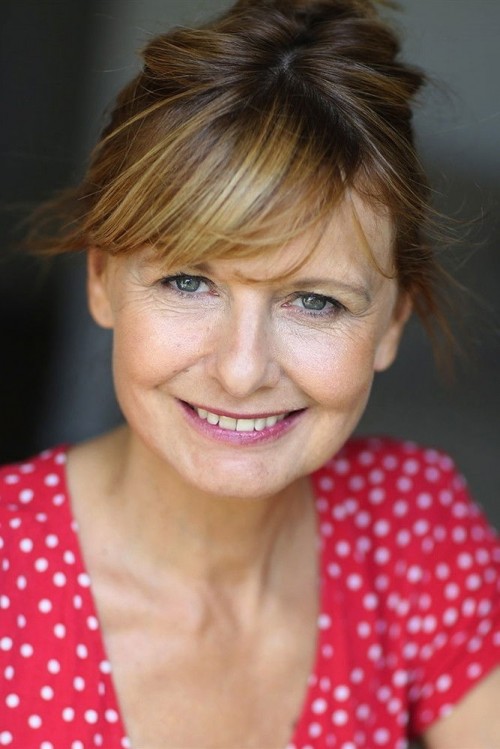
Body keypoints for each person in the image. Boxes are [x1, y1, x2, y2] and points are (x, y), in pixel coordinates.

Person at [1, 0, 499, 747]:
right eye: (188, 282)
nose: (241, 372)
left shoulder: (412, 527)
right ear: (101, 281)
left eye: (316, 301)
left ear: (392, 322)